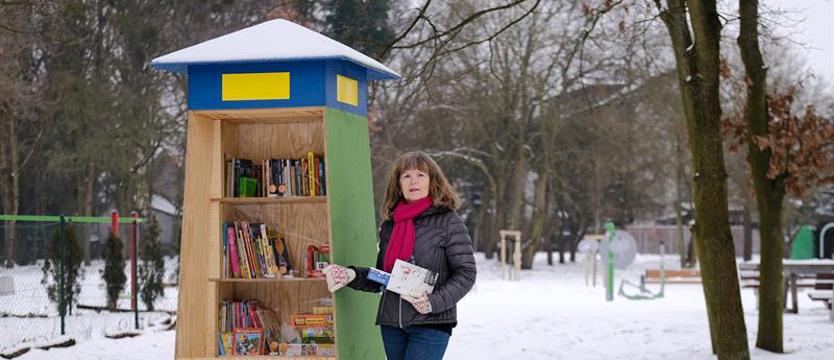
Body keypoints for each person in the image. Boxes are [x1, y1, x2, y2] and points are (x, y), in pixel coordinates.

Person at [324, 151, 477, 360]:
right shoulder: (390, 225)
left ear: (433, 181)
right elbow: (384, 277)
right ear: (398, 184)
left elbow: (466, 273)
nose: (413, 181)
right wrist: (352, 275)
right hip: (392, 324)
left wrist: (433, 302)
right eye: (406, 176)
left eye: (420, 175)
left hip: (431, 322)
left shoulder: (448, 221)